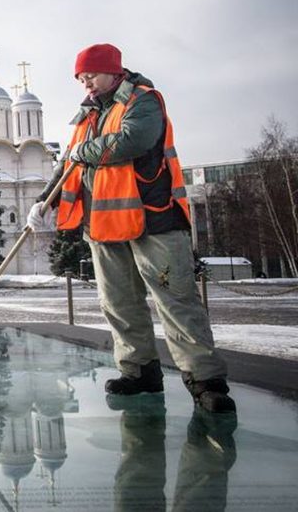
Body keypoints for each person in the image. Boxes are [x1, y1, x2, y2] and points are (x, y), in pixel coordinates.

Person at [29, 43, 234, 413]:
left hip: (153, 218)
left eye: (90, 75)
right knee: (119, 304)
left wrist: (84, 152)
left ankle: (206, 381)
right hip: (103, 224)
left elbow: (132, 141)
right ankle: (139, 372)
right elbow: (68, 165)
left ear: (112, 70)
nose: (85, 83)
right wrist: (44, 201)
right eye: (80, 78)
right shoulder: (88, 115)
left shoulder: (143, 100)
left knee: (176, 301)